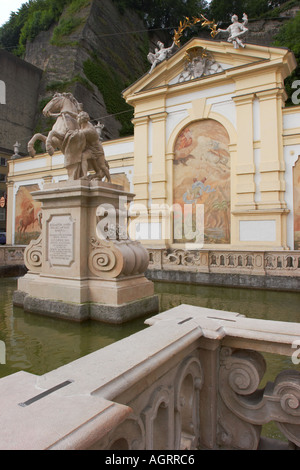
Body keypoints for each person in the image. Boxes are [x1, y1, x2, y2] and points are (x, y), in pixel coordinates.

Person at [77, 111, 111, 181]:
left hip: (97, 149)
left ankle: (109, 179)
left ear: (82, 119)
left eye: (78, 118)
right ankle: (85, 176)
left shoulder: (90, 129)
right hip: (90, 149)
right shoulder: (83, 125)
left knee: (102, 166)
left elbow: (80, 133)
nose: (77, 119)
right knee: (83, 156)